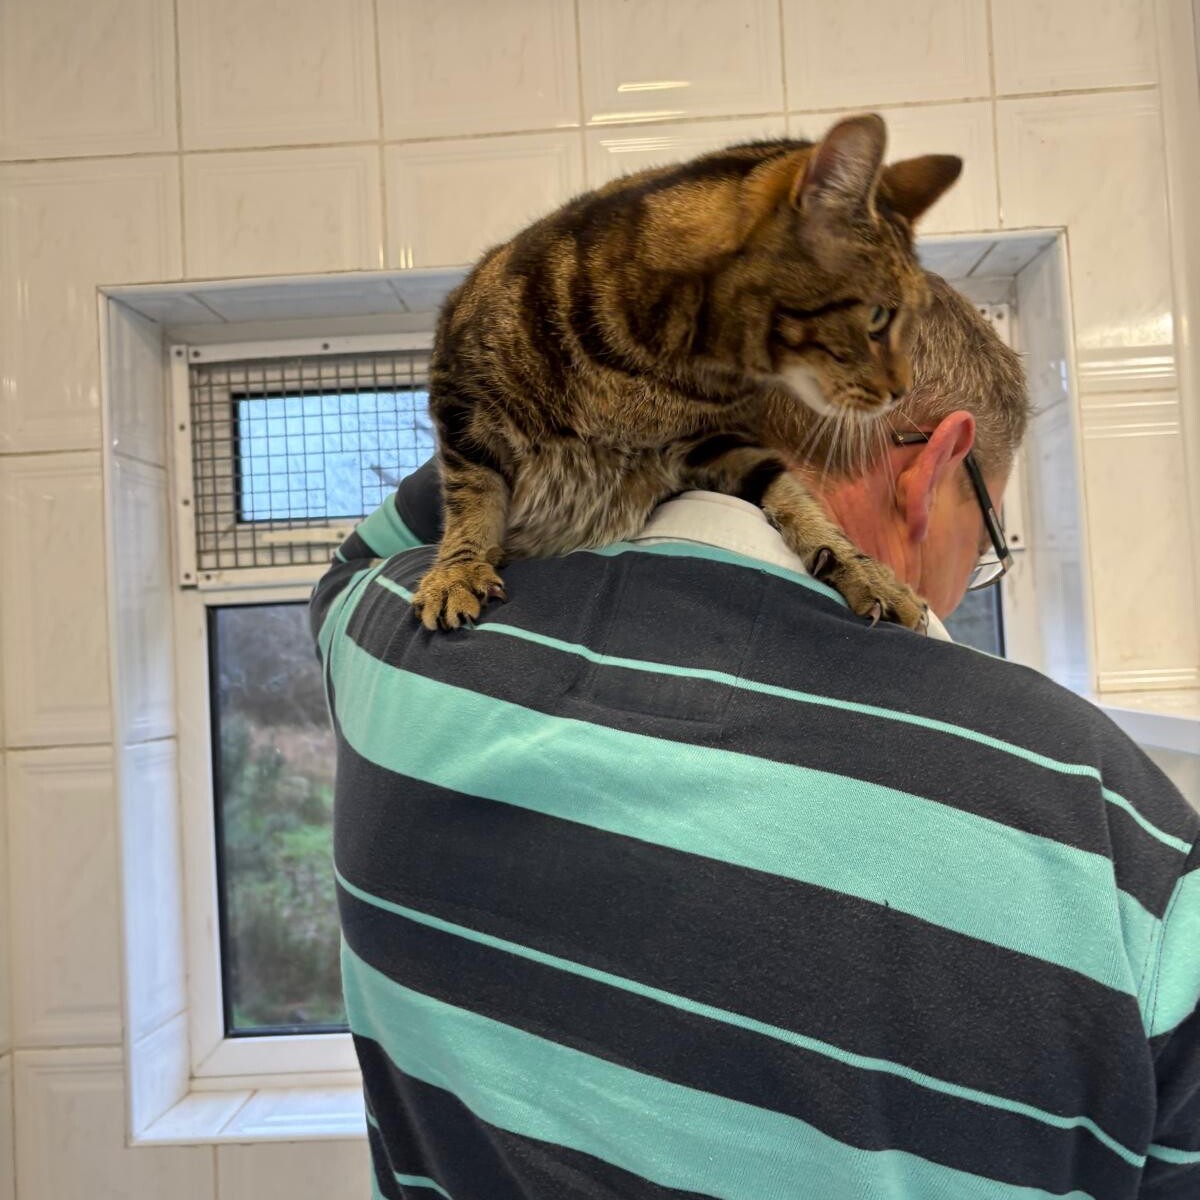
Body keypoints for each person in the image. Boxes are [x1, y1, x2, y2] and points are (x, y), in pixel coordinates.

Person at [311, 275, 1200, 1199]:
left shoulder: (398, 647)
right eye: (983, 543)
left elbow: (357, 562)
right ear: (935, 464)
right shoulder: (1116, 835)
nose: (952, 591)